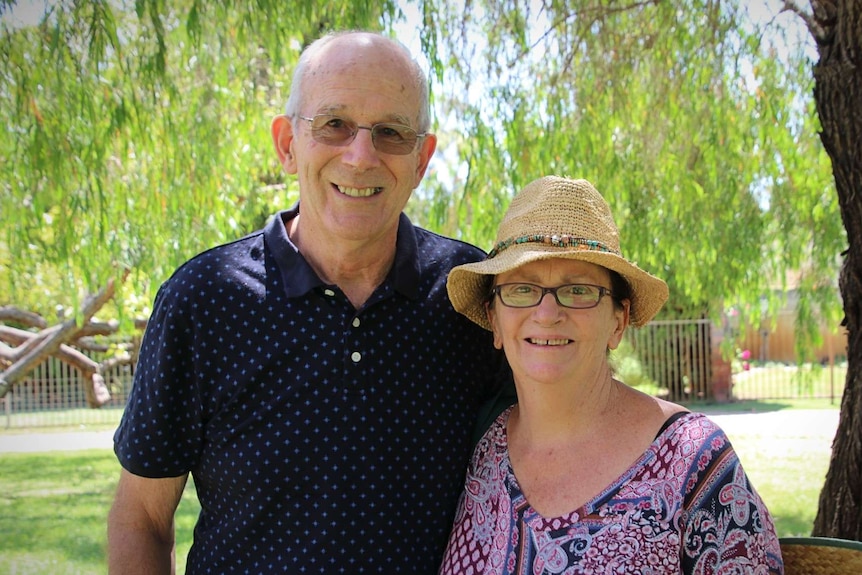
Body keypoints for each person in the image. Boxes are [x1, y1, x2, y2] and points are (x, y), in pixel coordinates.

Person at [107, 31, 507, 574]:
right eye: (334, 125)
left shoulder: (471, 296)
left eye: (390, 132)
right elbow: (141, 518)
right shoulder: (202, 301)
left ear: (421, 159)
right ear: (287, 142)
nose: (361, 156)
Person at [439, 176, 784, 574]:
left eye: (579, 290)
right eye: (521, 289)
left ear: (618, 321)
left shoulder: (692, 462)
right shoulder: (483, 452)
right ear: (494, 321)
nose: (548, 314)